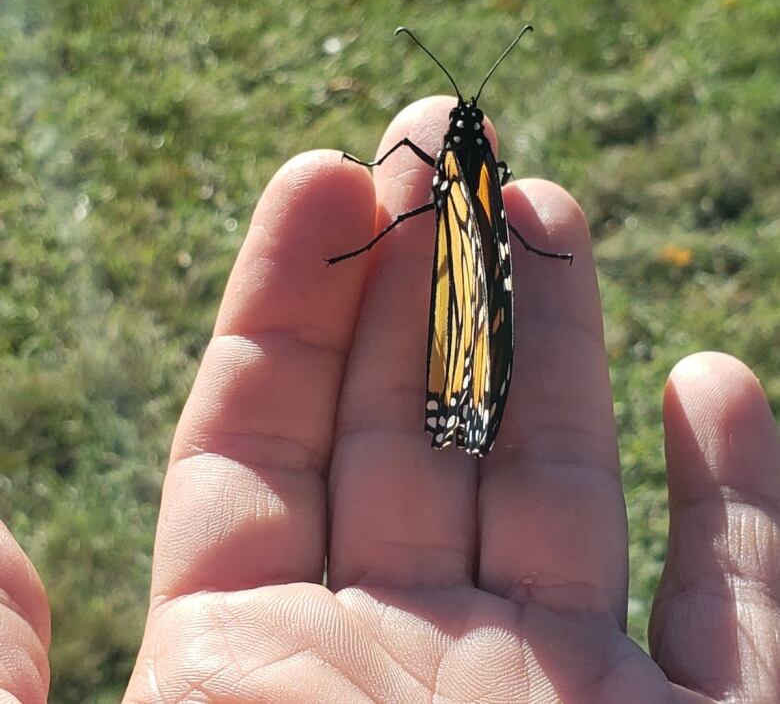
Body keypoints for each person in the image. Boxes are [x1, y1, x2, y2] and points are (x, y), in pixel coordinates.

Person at [1, 97, 778, 703]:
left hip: (471, 315)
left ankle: (467, 402)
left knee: (473, 311)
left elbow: (469, 238)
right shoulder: (466, 171)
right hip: (466, 312)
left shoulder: (464, 173)